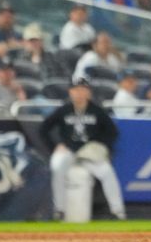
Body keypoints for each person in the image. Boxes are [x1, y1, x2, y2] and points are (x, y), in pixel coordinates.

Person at [40, 78, 126, 220]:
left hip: (88, 153)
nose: (79, 93)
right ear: (70, 92)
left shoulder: (97, 111)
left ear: (88, 92)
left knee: (107, 172)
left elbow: (113, 132)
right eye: (76, 90)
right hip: (68, 151)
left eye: (83, 89)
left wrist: (101, 146)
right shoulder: (64, 110)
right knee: (57, 167)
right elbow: (44, 129)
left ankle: (118, 211)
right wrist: (54, 146)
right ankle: (59, 209)